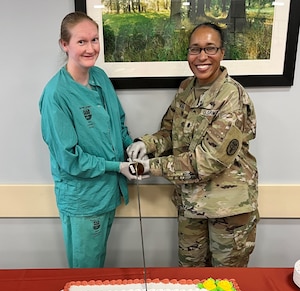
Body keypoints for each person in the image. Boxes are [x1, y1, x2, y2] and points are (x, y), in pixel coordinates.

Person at [127, 22, 259, 267]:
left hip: (227, 211)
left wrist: (149, 167)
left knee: (225, 286)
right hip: (191, 205)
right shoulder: (187, 89)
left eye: (210, 49)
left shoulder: (232, 97)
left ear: (222, 52)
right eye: (195, 49)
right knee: (190, 281)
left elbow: (207, 161)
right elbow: (169, 130)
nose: (201, 57)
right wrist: (146, 145)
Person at [39, 12, 138, 268]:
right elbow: (70, 159)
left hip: (107, 193)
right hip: (83, 199)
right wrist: (118, 167)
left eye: (94, 40)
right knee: (85, 273)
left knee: (98, 267)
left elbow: (117, 123)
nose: (91, 48)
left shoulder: (100, 78)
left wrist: (132, 146)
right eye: (81, 41)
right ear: (64, 44)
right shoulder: (56, 95)